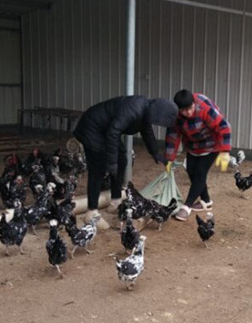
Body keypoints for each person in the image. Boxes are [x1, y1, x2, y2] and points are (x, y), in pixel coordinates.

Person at [73, 95, 178, 230]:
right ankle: (91, 212)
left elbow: (146, 130)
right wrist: (112, 162)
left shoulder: (145, 110)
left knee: (122, 159)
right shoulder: (134, 109)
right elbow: (113, 132)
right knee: (98, 167)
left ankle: (115, 201)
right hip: (91, 128)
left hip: (107, 130)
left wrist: (155, 153)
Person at [162, 89, 232, 221]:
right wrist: (169, 158)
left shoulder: (204, 108)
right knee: (191, 171)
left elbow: (224, 127)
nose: (188, 112)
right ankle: (206, 201)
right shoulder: (175, 115)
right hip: (193, 145)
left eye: (190, 108)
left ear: (194, 103)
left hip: (212, 143)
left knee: (200, 172)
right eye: (184, 110)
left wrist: (224, 151)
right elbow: (173, 136)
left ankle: (187, 206)